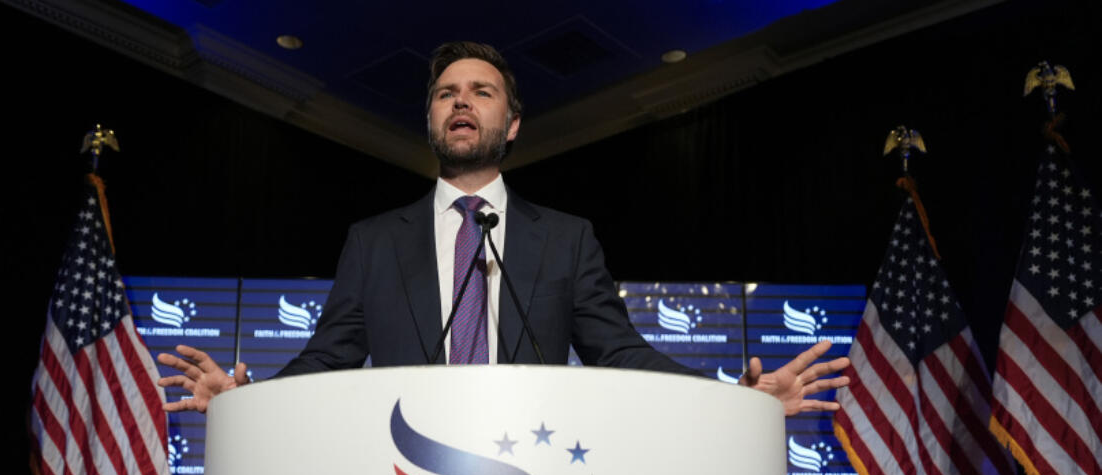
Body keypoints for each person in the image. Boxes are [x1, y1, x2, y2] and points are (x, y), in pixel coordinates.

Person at [158, 41, 848, 415]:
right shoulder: (372, 242)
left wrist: (734, 403)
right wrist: (247, 404)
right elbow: (327, 360)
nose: (461, 100)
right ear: (430, 121)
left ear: (511, 124)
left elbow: (622, 355)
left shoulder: (567, 240)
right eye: (445, 93)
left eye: (480, 92)